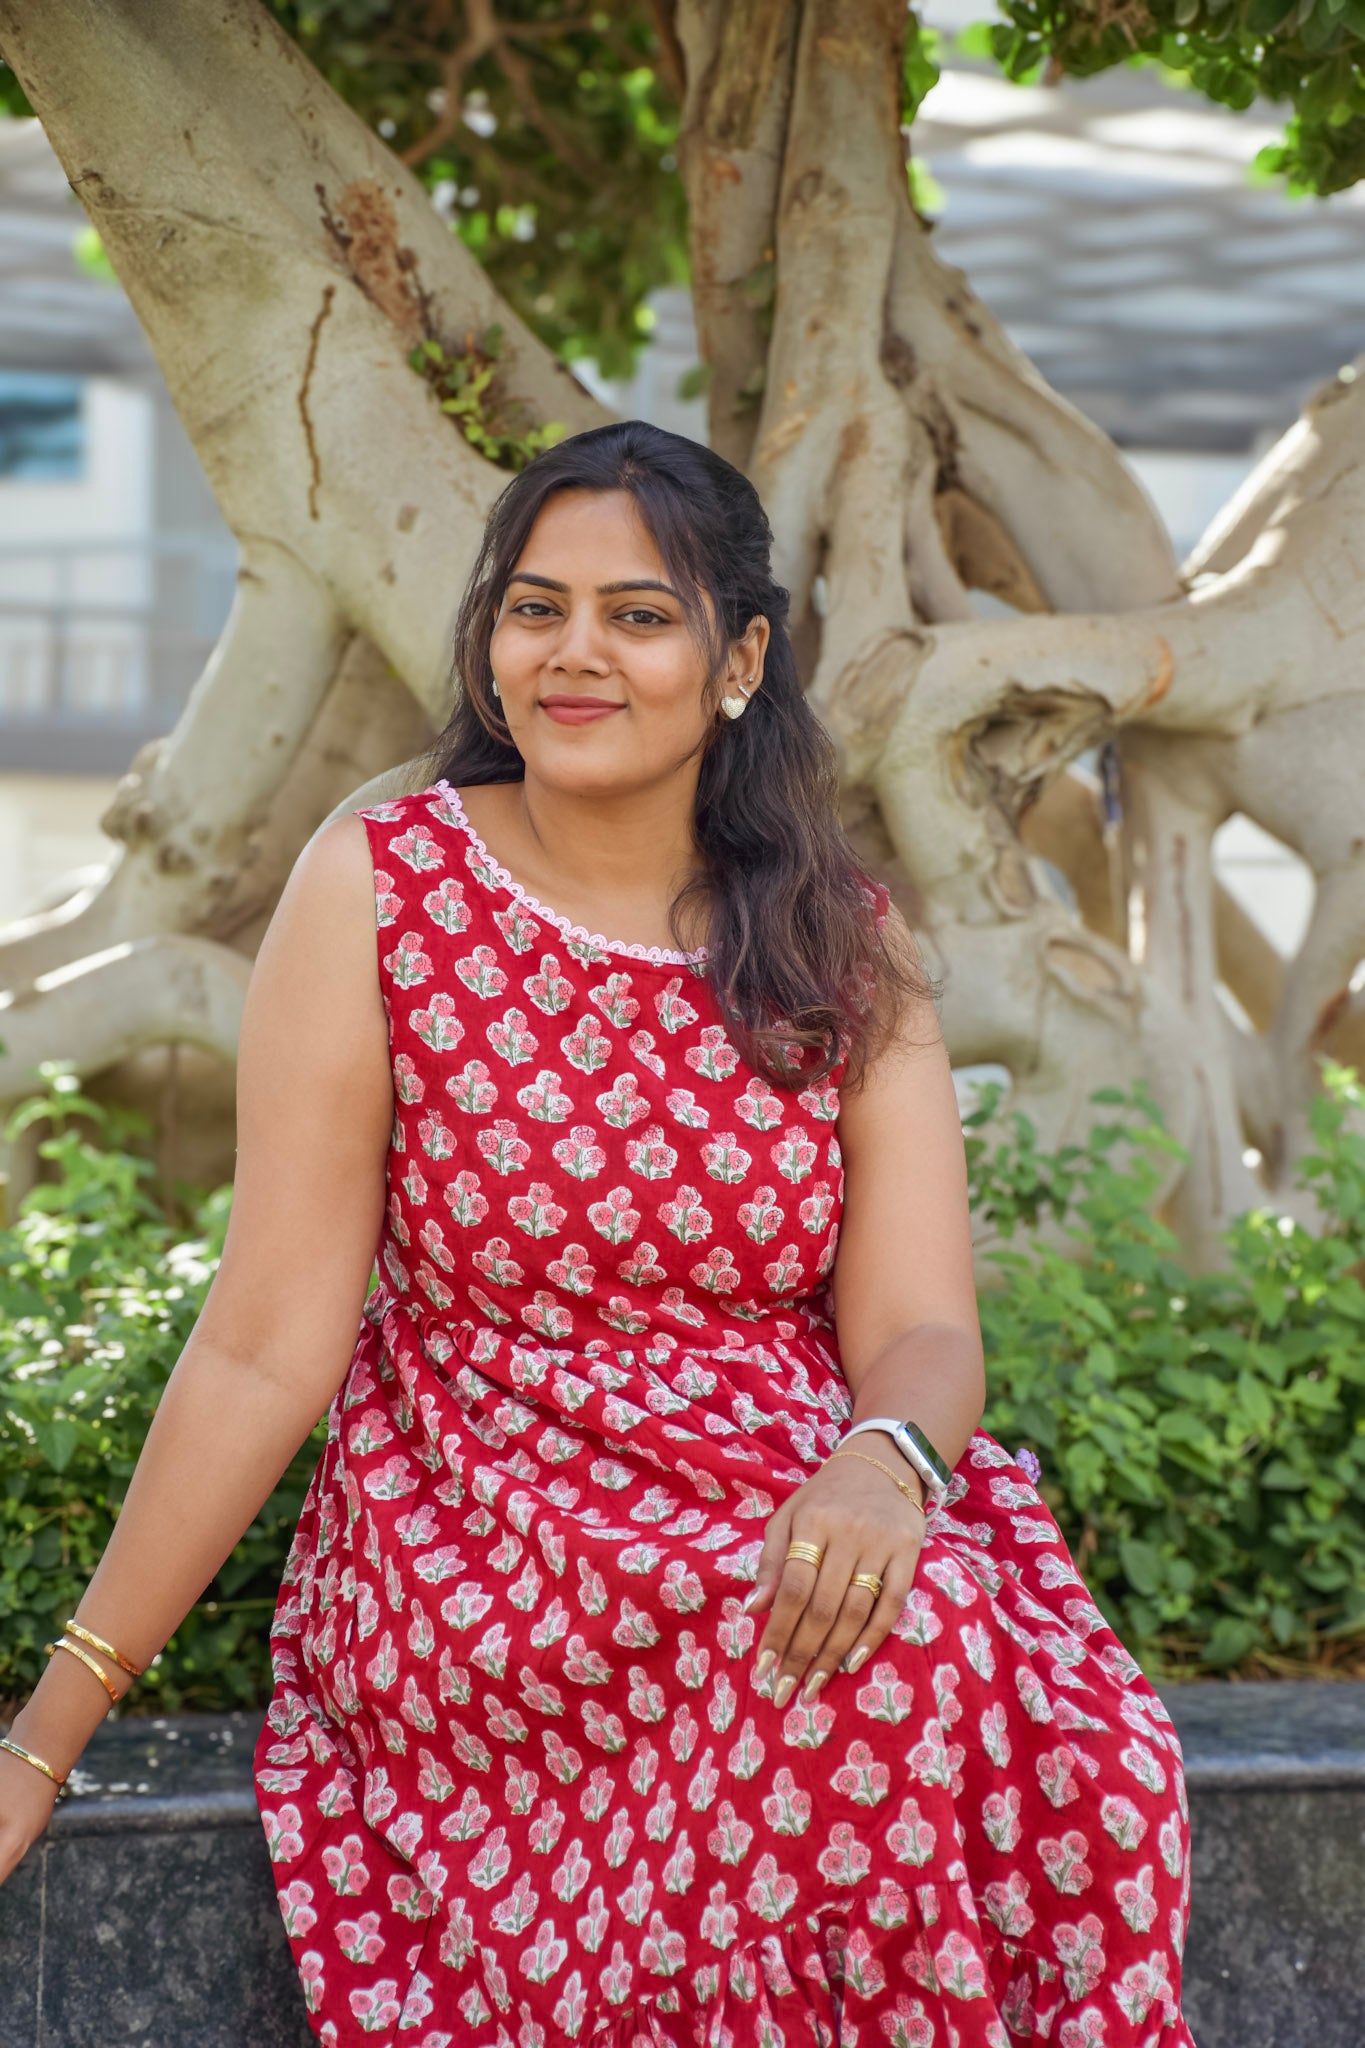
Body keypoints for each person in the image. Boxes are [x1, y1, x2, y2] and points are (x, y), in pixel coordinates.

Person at [0, 421, 1196, 2048]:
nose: (575, 653)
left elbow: (920, 1326)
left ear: (737, 655)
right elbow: (267, 1341)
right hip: (481, 1532)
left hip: (799, 1493)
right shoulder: (383, 888)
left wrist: (882, 1463)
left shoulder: (841, 944)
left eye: (637, 614)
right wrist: (41, 1737)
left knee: (1018, 1712)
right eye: (533, 607)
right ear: (489, 643)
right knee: (851, 1692)